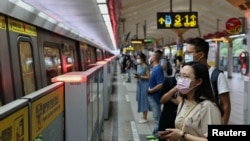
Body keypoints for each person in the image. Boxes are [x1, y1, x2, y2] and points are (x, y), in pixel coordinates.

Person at [158, 61, 223, 141]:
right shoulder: (183, 102)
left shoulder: (208, 107)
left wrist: (182, 135)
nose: (180, 80)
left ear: (198, 81)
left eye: (185, 77)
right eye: (179, 76)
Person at [184, 37, 231, 125]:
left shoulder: (216, 75)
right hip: (190, 123)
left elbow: (225, 105)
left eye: (189, 53)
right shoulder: (186, 73)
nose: (186, 56)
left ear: (201, 54)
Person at [147, 51, 165, 140]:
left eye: (151, 56)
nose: (149, 57)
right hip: (152, 96)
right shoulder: (154, 68)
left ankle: (157, 136)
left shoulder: (158, 69)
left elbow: (161, 84)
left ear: (154, 58)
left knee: (157, 117)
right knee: (155, 116)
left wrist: (151, 91)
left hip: (155, 96)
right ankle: (155, 133)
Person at [134, 53, 150, 123]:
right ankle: (143, 116)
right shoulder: (138, 66)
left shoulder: (146, 67)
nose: (138, 60)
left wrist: (140, 77)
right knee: (140, 100)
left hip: (144, 85)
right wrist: (137, 76)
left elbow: (148, 77)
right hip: (139, 84)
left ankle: (145, 118)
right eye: (137, 58)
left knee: (144, 101)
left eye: (139, 58)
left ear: (142, 59)